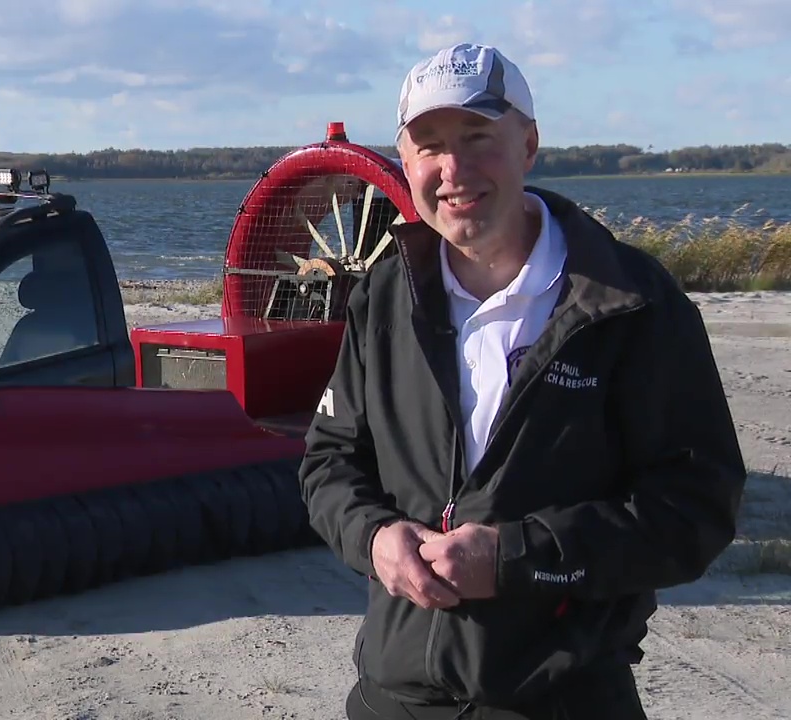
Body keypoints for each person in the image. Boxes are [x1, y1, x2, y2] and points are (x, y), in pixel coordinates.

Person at [298, 42, 747, 719]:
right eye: (430, 147)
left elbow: (695, 509)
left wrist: (515, 558)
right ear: (406, 163)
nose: (454, 169)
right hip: (394, 694)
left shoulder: (630, 303)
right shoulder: (384, 296)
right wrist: (374, 539)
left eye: (479, 137)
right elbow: (329, 461)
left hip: (562, 697)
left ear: (530, 143)